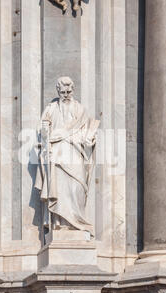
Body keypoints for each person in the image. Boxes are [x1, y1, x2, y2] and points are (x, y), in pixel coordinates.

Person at [36, 77, 99, 237]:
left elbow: (87, 131)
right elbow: (43, 131)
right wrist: (45, 136)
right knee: (59, 188)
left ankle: (77, 223)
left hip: (76, 152)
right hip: (57, 153)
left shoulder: (80, 109)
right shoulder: (50, 109)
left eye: (69, 91)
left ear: (73, 90)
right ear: (58, 91)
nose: (66, 94)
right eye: (62, 92)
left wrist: (90, 138)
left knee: (77, 187)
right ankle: (59, 224)